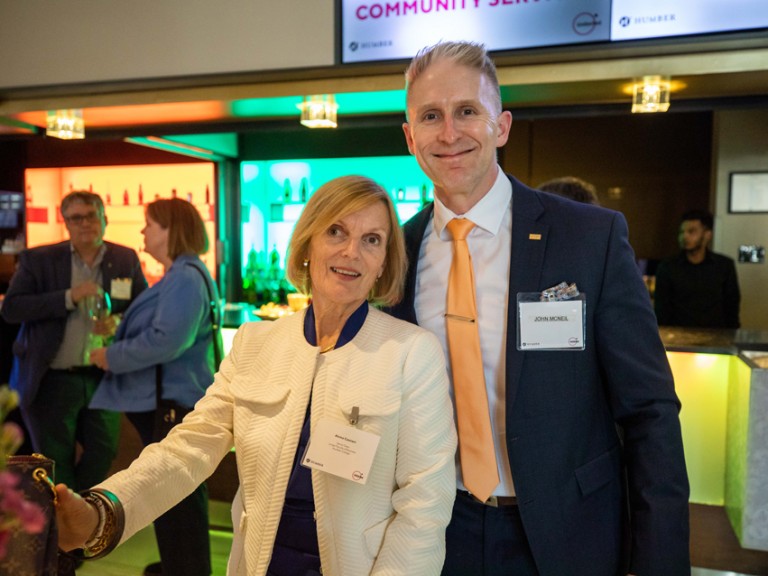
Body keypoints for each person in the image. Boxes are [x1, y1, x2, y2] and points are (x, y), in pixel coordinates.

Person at [56, 175, 457, 576]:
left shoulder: (411, 353)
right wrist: (103, 510)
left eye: (372, 240)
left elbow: (425, 502)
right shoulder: (256, 343)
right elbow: (187, 449)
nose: (352, 251)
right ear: (308, 244)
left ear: (385, 260)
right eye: (336, 231)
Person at [390, 41, 690, 576]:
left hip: (568, 534)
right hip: (437, 532)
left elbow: (650, 414)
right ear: (411, 136)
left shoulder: (589, 237)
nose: (450, 133)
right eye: (431, 116)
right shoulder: (396, 255)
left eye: (467, 112)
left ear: (501, 126)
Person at [88, 197, 222, 576]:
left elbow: (167, 340)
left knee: (177, 499)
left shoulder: (183, 277)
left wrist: (111, 356)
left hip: (172, 405)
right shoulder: (184, 273)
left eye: (150, 224)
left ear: (170, 230)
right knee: (174, 497)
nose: (143, 231)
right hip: (174, 402)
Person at [1, 191, 146, 490]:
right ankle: (68, 531)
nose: (85, 224)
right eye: (76, 218)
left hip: (102, 377)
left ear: (105, 218)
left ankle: (80, 516)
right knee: (55, 460)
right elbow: (12, 308)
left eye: (91, 215)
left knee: (104, 450)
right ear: (65, 222)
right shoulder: (39, 259)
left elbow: (143, 307)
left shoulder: (124, 258)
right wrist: (69, 297)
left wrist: (118, 322)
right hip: (52, 378)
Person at [654, 209, 740, 328]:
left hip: (716, 337)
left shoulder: (724, 266)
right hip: (678, 337)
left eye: (691, 231)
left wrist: (731, 337)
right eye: (681, 232)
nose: (684, 236)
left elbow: (731, 306)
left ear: (707, 235)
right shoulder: (667, 267)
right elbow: (662, 308)